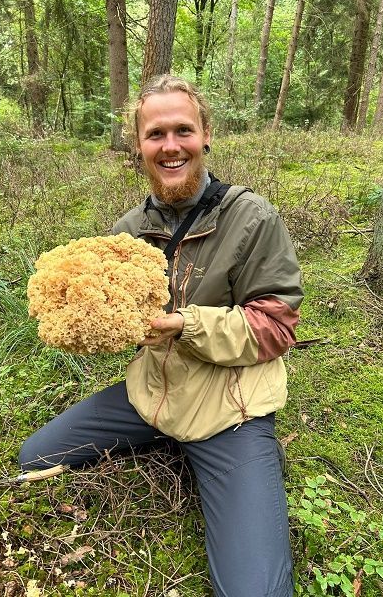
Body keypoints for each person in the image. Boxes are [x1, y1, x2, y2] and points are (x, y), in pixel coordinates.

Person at [19, 75, 303, 597]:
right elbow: (117, 316)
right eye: (155, 134)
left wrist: (186, 324)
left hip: (229, 411)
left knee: (255, 592)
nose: (171, 146)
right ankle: (164, 434)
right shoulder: (129, 228)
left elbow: (276, 325)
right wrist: (88, 319)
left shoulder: (251, 219)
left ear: (206, 134)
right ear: (138, 144)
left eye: (183, 130)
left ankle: (248, 464)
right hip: (151, 395)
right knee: (34, 458)